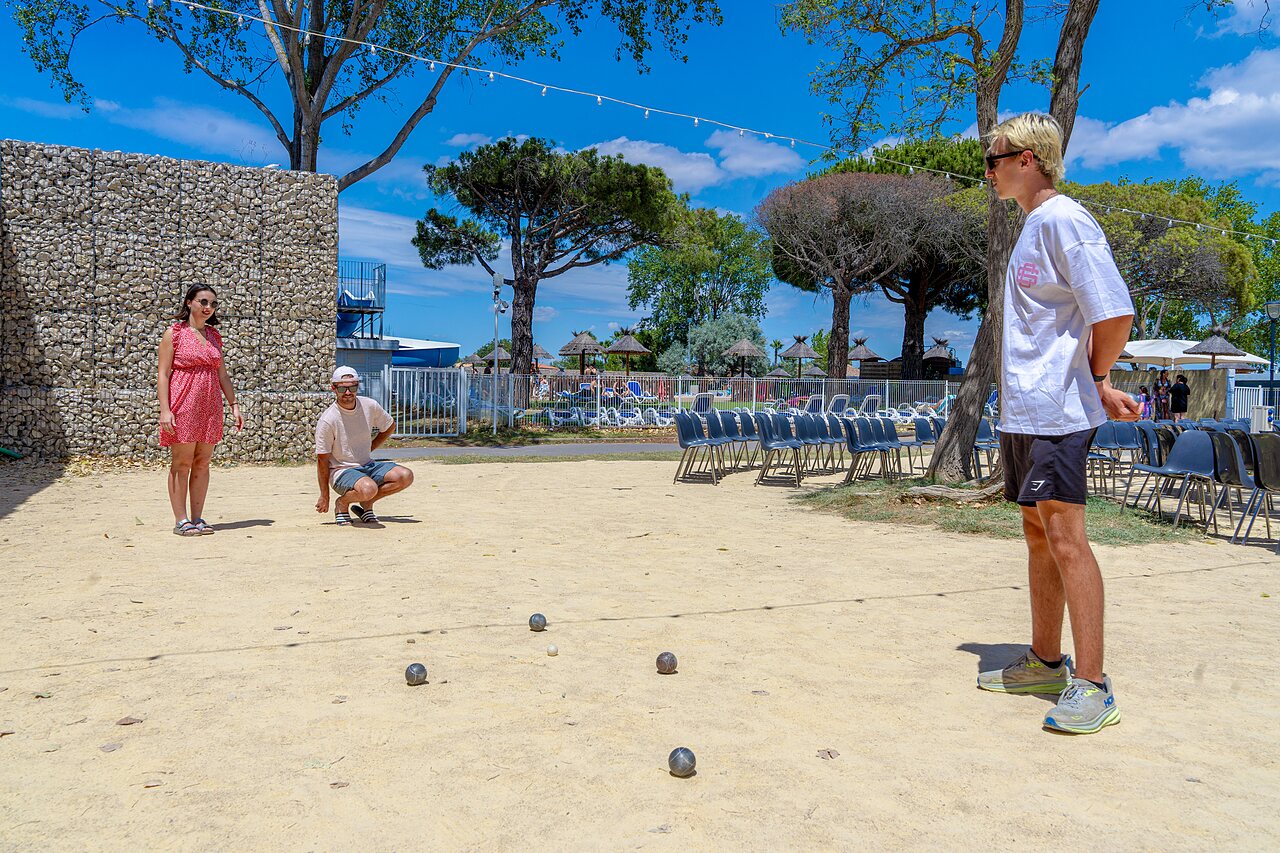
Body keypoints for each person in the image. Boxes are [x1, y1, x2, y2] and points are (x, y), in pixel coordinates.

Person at [977, 113, 1140, 735]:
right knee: (1038, 537)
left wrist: (1096, 380)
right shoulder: (1032, 227)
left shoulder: (1066, 220)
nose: (988, 170)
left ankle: (1094, 686)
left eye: (995, 158)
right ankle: (1046, 662)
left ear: (1029, 159)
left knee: (1067, 540)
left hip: (1058, 409)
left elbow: (1114, 314)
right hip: (1024, 410)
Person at [157, 285, 243, 536]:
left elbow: (222, 374)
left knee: (203, 462)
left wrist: (234, 405)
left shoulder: (215, 336)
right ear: (189, 302)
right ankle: (181, 519)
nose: (208, 308)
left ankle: (197, 517)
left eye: (213, 304)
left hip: (210, 404)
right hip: (183, 401)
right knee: (181, 462)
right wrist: (165, 409)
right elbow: (163, 374)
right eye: (203, 301)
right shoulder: (173, 333)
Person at [314, 367, 414, 525]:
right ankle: (342, 504)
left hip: (367, 465)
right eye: (342, 388)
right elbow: (322, 460)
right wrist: (324, 496)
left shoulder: (369, 405)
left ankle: (367, 503)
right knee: (368, 488)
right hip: (342, 470)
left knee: (405, 476)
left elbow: (389, 426)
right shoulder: (328, 419)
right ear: (333, 388)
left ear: (357, 386)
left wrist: (370, 447)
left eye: (352, 387)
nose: (348, 392)